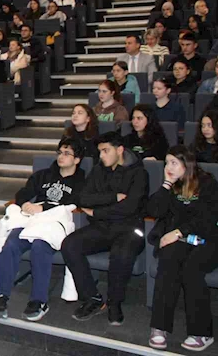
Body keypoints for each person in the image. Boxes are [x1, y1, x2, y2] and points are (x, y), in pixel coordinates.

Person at [0, 139, 86, 321]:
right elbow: (23, 193)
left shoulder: (82, 180)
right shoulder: (44, 175)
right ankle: (2, 295)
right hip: (33, 219)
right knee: (11, 244)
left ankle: (38, 300)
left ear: (77, 160)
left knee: (39, 246)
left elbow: (76, 202)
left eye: (67, 153)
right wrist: (25, 203)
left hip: (55, 222)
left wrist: (43, 207)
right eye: (60, 152)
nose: (61, 156)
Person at [61, 131, 148, 326]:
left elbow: (130, 208)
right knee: (70, 245)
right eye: (100, 151)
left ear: (119, 150)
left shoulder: (139, 173)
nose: (101, 156)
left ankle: (114, 302)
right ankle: (92, 298)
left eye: (105, 151)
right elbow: (82, 198)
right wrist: (112, 197)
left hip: (130, 229)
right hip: (103, 227)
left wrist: (97, 212)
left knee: (121, 254)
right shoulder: (99, 169)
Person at [147, 146, 218, 352]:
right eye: (166, 163)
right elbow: (153, 210)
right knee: (168, 259)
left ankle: (202, 332)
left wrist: (178, 232)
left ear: (187, 164)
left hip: (211, 240)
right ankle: (159, 327)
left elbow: (208, 218)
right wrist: (166, 184)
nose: (168, 167)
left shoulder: (207, 182)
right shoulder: (173, 185)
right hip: (183, 240)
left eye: (174, 163)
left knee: (192, 268)